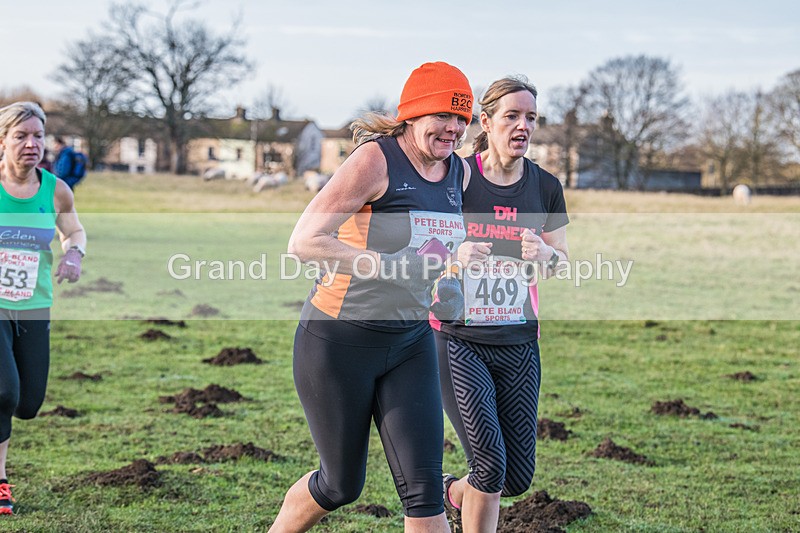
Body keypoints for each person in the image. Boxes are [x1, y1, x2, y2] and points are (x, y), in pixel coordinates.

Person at [269, 62, 473, 533]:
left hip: (410, 342)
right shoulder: (375, 161)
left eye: (462, 118)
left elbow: (441, 251)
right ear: (413, 114)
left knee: (425, 492)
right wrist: (389, 266)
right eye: (443, 115)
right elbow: (304, 241)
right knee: (340, 485)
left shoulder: (458, 172)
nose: (454, 128)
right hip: (340, 340)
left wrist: (450, 283)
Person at [431, 77, 570, 532]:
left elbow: (562, 262)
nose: (522, 126)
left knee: (516, 477)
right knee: (489, 464)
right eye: (511, 116)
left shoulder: (546, 186)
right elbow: (422, 247)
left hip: (520, 342)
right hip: (459, 340)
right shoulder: (456, 177)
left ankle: (452, 493)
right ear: (486, 122)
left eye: (531, 117)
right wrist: (455, 256)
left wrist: (545, 254)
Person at [0, 102, 87, 516]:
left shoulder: (55, 189)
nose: (31, 144)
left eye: (38, 136)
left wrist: (74, 254)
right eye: (21, 136)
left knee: (28, 403)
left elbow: (74, 230)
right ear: (2, 141)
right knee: (4, 392)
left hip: (35, 306)